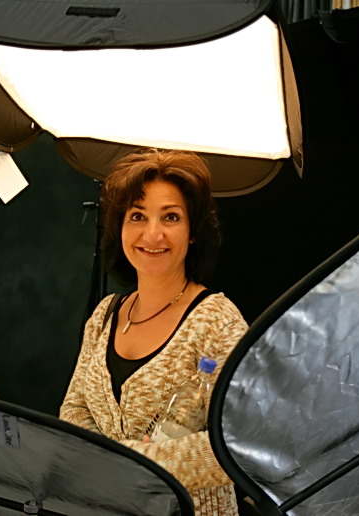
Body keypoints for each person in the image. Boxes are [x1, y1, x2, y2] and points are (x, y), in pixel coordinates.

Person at [60, 148, 249, 515]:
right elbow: (75, 409)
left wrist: (143, 463)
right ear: (119, 227)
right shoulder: (104, 315)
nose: (152, 233)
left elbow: (242, 443)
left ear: (193, 232)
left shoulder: (217, 322)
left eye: (171, 217)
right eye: (137, 216)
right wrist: (102, 470)